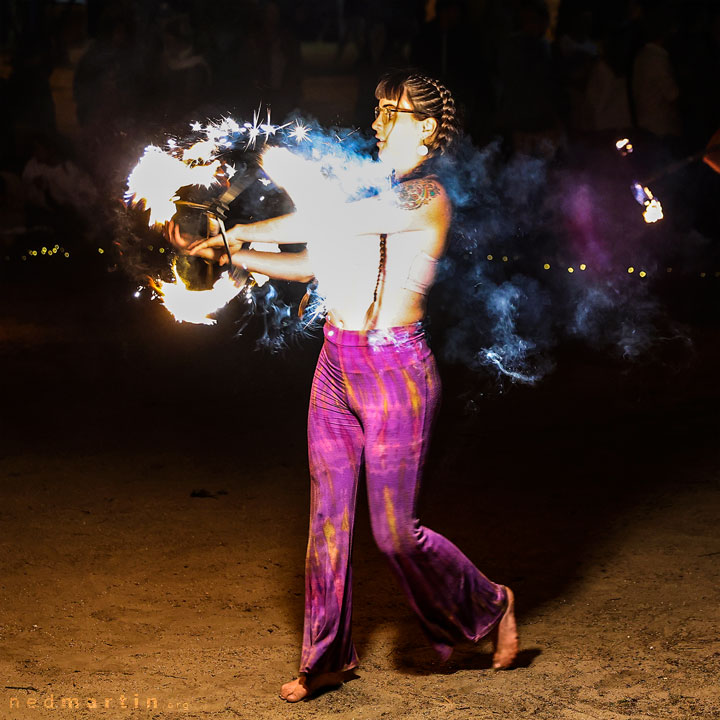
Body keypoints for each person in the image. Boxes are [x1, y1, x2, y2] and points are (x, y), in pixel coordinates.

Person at [166, 69, 518, 702]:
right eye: (378, 109)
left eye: (397, 112)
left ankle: (491, 603)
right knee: (327, 520)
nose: (380, 122)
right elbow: (316, 259)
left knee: (392, 532)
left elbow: (334, 225)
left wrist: (240, 228)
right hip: (334, 366)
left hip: (394, 374)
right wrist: (230, 255)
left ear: (429, 128)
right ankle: (324, 658)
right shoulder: (370, 189)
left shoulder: (426, 196)